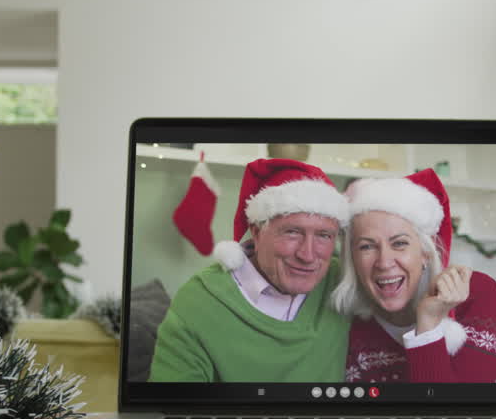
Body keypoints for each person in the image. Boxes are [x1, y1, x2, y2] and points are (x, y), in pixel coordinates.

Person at [149, 158, 352, 382]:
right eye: (292, 232)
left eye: (324, 236)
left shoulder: (342, 281)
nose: (307, 255)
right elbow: (174, 406)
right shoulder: (198, 301)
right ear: (256, 232)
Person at [331, 169, 496, 383]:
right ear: (352, 258)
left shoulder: (477, 293)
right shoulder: (349, 321)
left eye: (399, 243)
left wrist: (428, 323)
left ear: (425, 251)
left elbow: (457, 412)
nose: (384, 262)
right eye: (367, 246)